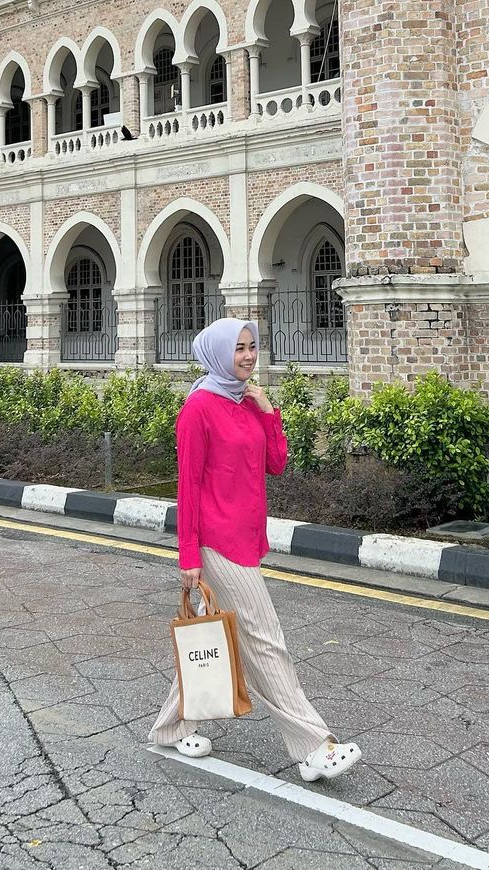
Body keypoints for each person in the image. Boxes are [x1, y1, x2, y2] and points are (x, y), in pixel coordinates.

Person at [149, 317, 361, 783]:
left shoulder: (244, 402)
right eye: (238, 349)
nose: (247, 356)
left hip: (247, 537)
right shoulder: (199, 409)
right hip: (216, 542)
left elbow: (276, 463)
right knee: (266, 642)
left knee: (224, 640)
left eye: (252, 347)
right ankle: (313, 747)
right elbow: (188, 488)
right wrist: (188, 557)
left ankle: (170, 727)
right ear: (217, 354)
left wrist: (267, 410)